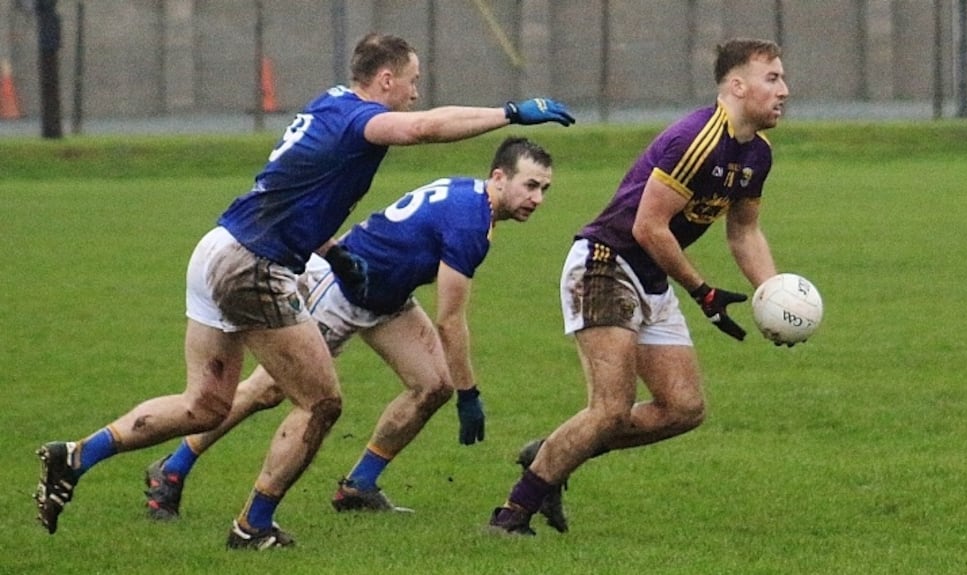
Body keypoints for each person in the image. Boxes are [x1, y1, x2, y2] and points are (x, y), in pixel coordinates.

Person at [34, 31, 574, 550]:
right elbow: (421, 129)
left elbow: (301, 192)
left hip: (220, 247)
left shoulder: (329, 104)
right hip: (254, 264)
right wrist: (510, 111)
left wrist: (336, 251)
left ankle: (76, 455)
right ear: (385, 80)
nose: (415, 94)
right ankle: (252, 527)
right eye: (411, 81)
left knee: (204, 405)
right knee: (318, 402)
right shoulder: (364, 119)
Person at [142, 137, 554, 522]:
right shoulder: (471, 224)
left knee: (433, 384)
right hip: (340, 291)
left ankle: (359, 485)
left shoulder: (470, 196)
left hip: (385, 298)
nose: (536, 199)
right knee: (264, 391)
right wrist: (471, 395)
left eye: (544, 190)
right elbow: (450, 320)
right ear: (499, 177)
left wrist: (458, 388)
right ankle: (172, 469)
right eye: (530, 185)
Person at [487, 38, 790, 536]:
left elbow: (744, 231)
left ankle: (556, 449)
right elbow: (649, 227)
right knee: (609, 408)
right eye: (772, 78)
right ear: (737, 86)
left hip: (648, 275)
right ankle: (510, 516)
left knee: (683, 408)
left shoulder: (758, 154)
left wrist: (771, 295)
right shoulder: (694, 140)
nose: (785, 90)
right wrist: (703, 291)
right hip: (605, 263)